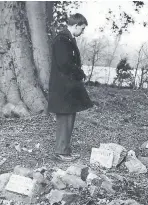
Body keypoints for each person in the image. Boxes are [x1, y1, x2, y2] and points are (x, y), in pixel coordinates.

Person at [48, 13, 93, 162]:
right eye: (82, 28)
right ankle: (61, 152)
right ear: (75, 26)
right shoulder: (62, 40)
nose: (83, 32)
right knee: (64, 119)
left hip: (68, 87)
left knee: (69, 118)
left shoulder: (67, 38)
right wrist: (79, 72)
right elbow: (64, 64)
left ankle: (65, 150)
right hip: (63, 88)